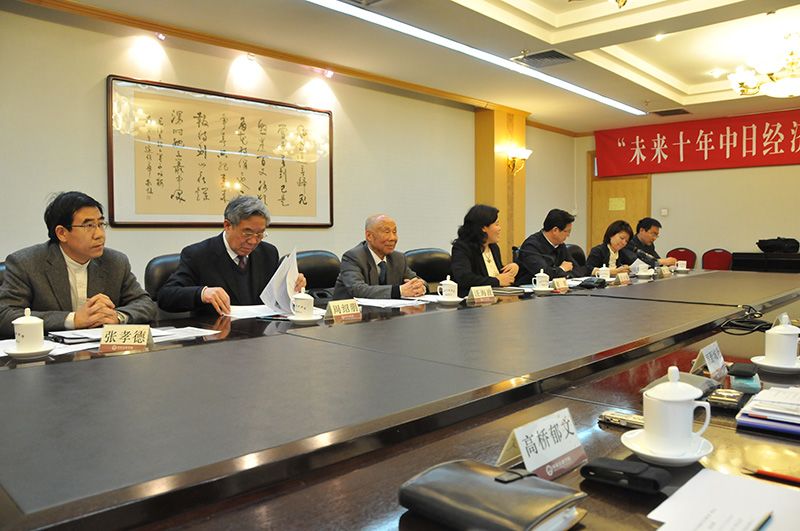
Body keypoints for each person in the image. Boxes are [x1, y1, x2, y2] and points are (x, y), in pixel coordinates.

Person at [0, 191, 156, 338]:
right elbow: (6, 315)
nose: (100, 234)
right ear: (62, 233)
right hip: (49, 354)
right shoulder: (26, 263)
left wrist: (117, 316)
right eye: (89, 226)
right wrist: (72, 320)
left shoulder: (115, 262)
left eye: (101, 224)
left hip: (101, 352)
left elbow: (145, 304)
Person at [157, 195, 305, 315]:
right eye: (247, 233)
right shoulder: (198, 254)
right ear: (227, 225)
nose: (253, 241)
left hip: (260, 334)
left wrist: (291, 286)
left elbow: (274, 298)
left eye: (260, 234)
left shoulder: (268, 253)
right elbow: (166, 296)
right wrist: (202, 293)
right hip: (217, 335)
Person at [332, 214, 427, 299]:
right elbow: (358, 289)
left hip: (387, 311)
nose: (393, 238)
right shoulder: (353, 257)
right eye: (387, 232)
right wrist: (399, 291)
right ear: (369, 236)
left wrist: (421, 287)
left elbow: (417, 280)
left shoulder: (398, 258)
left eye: (394, 232)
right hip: (352, 312)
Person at [450, 204, 518, 297]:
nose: (499, 228)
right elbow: (464, 278)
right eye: (497, 224)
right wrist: (497, 281)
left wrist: (512, 269)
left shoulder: (493, 247)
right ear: (483, 228)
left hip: (496, 298)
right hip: (471, 302)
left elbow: (496, 274)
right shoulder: (462, 248)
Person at [516, 208, 584, 284]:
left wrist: (565, 275)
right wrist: (562, 269)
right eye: (567, 231)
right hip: (530, 288)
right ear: (555, 230)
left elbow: (578, 270)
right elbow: (544, 274)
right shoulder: (531, 246)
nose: (568, 235)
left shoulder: (560, 245)